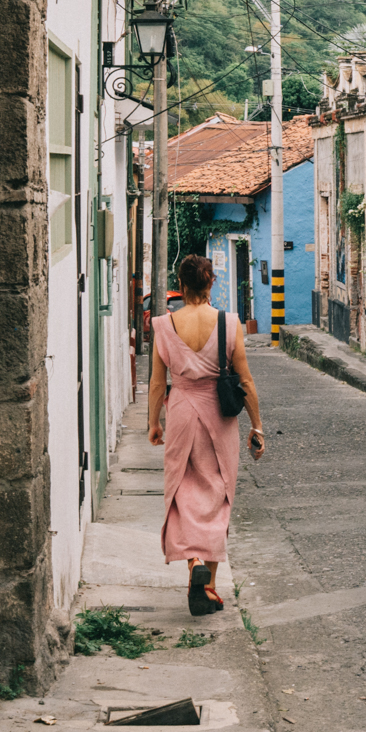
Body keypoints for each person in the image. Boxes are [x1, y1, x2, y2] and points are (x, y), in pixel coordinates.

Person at [148, 253, 265, 615]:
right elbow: (244, 379)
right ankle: (209, 583)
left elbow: (157, 382)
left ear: (181, 286)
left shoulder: (164, 326)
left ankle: (194, 562)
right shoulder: (229, 323)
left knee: (182, 490)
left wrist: (154, 422)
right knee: (217, 492)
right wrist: (256, 425)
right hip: (219, 414)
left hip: (181, 410)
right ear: (211, 282)